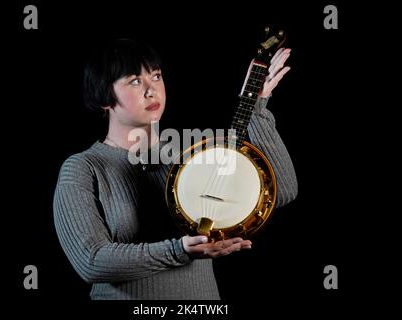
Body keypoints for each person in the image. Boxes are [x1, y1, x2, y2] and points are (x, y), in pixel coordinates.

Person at [53, 39, 298, 300]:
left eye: (156, 76)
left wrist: (258, 108)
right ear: (104, 98)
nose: (151, 90)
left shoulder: (191, 155)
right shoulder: (83, 168)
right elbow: (90, 261)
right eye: (135, 80)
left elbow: (280, 191)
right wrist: (179, 251)